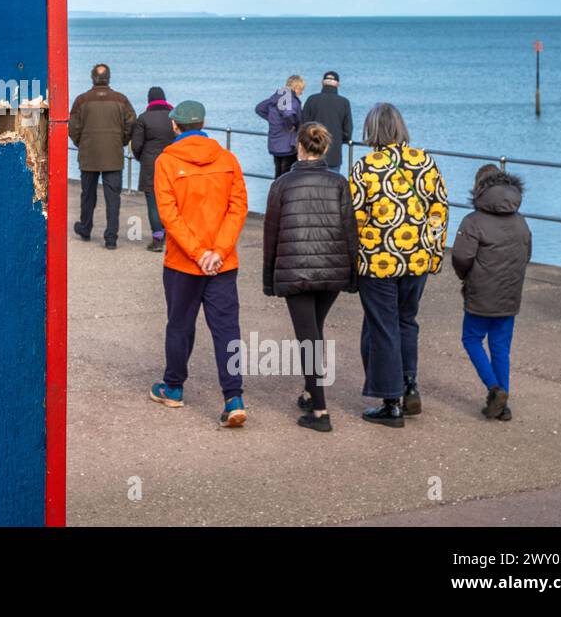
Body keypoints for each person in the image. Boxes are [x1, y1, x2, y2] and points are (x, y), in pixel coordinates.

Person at [147, 100, 251, 427]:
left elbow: (169, 215)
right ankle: (233, 398)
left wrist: (196, 252)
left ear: (175, 126)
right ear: (204, 124)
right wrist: (217, 251)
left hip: (182, 263)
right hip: (222, 263)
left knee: (179, 325)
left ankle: (174, 387)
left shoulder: (166, 162)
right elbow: (238, 209)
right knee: (226, 330)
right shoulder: (227, 159)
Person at [349, 103, 448, 428]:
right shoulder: (425, 161)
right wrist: (432, 252)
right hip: (417, 259)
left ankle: (391, 403)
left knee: (383, 326)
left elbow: (355, 217)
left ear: (372, 130)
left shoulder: (366, 167)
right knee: (407, 322)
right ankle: (409, 384)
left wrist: (355, 255)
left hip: (379, 261)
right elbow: (439, 209)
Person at [263, 122, 358, 433]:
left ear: (298, 146)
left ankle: (319, 410)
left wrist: (269, 278)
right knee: (313, 331)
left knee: (308, 338)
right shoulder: (339, 183)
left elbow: (271, 234)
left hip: (295, 268)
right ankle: (309, 391)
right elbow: (350, 231)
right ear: (325, 148)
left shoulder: (282, 184)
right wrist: (352, 273)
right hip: (332, 269)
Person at [451, 164, 531, 422]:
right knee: (500, 346)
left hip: (481, 293)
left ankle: (494, 389)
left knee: (471, 338)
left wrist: (467, 277)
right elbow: (526, 254)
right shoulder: (521, 221)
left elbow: (461, 257)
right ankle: (503, 403)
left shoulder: (473, 221)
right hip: (509, 292)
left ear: (479, 189)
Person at [70, 64, 135, 249]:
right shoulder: (121, 100)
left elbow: (73, 127)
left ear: (92, 78)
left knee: (88, 195)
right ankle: (111, 238)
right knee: (113, 198)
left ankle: (85, 227)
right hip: (113, 155)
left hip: (88, 155)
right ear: (109, 77)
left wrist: (81, 143)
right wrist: (121, 141)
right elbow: (131, 123)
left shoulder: (81, 100)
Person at [131, 86, 175, 252]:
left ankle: (157, 238)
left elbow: (136, 144)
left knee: (153, 202)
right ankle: (171, 235)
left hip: (150, 164)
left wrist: (141, 157)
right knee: (171, 200)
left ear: (149, 100)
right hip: (171, 162)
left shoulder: (144, 118)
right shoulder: (173, 117)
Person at [301, 71, 354, 171]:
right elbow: (348, 129)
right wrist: (342, 139)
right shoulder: (344, 102)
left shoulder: (311, 100)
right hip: (334, 154)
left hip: (312, 151)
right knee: (332, 182)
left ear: (322, 83)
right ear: (338, 84)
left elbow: (303, 125)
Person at [254, 75, 305, 177]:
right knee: (288, 174)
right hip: (287, 144)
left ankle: (276, 192)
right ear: (296, 88)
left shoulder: (277, 97)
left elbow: (260, 108)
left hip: (275, 143)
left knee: (278, 173)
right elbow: (288, 114)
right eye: (301, 90)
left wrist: (274, 120)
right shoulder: (289, 98)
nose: (301, 93)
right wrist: (291, 125)